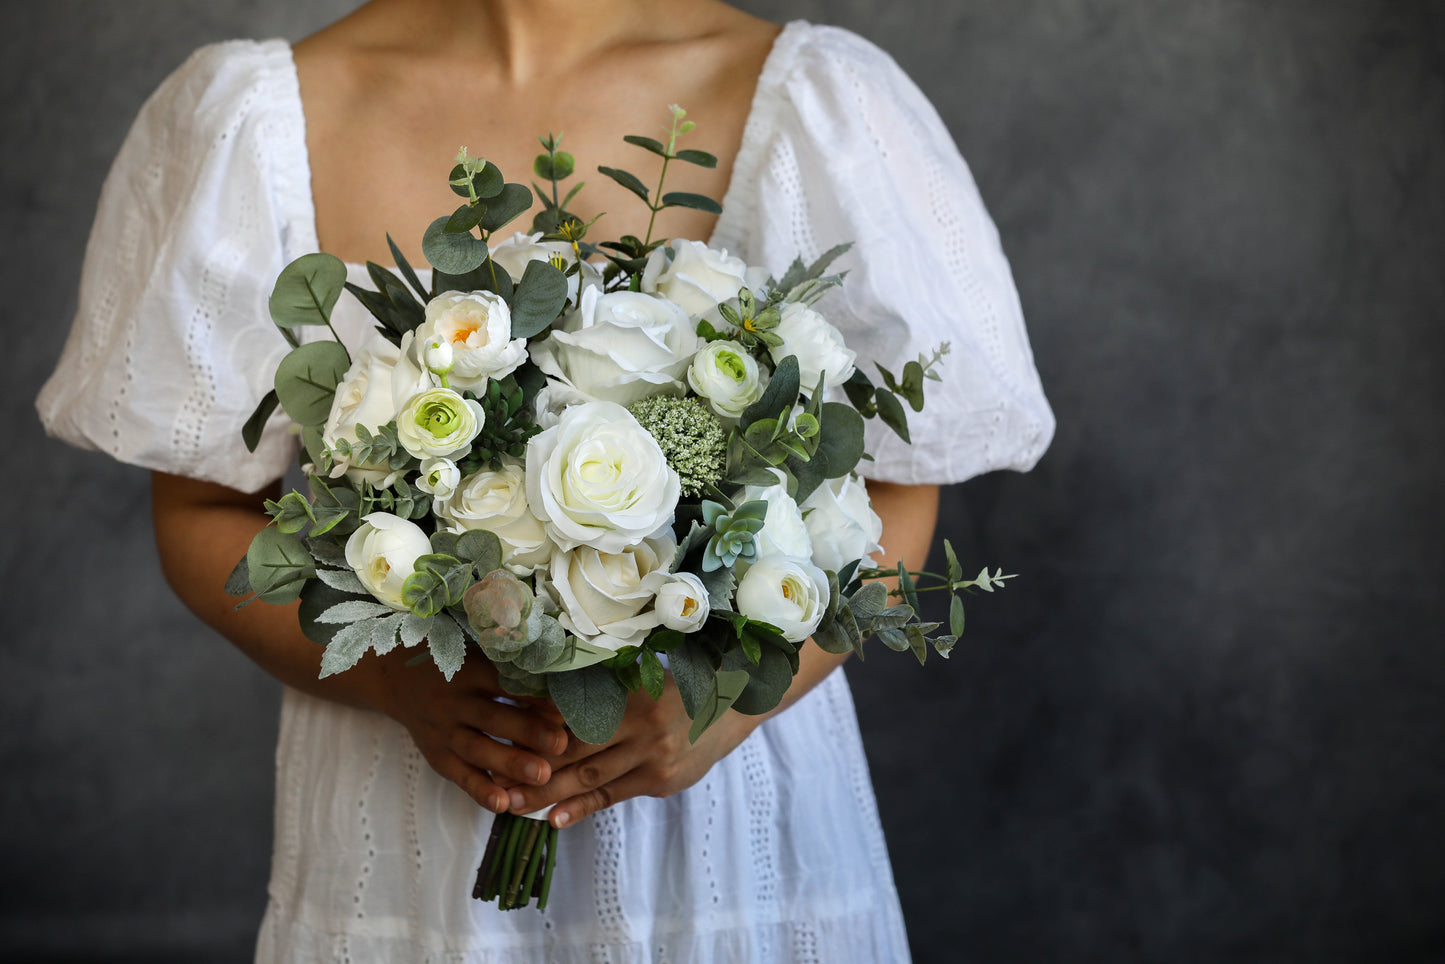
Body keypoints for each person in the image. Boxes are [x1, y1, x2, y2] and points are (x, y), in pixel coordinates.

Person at [37, 0, 1055, 959]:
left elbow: (894, 490)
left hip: (729, 837)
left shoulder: (810, 103)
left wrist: (729, 704)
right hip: (407, 835)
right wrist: (393, 679)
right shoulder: (264, 118)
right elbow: (201, 511)